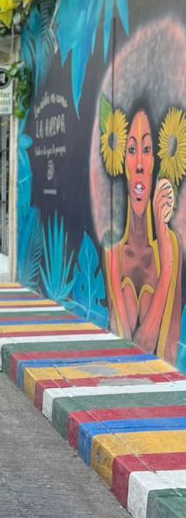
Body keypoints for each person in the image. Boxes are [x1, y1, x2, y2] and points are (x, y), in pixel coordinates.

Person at [104, 109, 182, 360]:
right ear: (122, 162)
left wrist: (167, 264)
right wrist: (166, 272)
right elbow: (132, 342)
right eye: (131, 150)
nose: (138, 164)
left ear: (156, 162)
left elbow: (163, 348)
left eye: (147, 150)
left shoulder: (169, 245)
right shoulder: (113, 251)